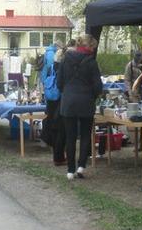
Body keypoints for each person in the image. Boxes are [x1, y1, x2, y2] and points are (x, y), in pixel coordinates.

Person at [57, 34, 102, 180]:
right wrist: (92, 96)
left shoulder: (65, 59)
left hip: (69, 101)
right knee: (84, 136)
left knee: (70, 137)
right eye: (93, 47)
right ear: (88, 46)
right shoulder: (91, 62)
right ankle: (81, 166)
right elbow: (98, 86)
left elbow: (59, 82)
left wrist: (67, 92)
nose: (94, 50)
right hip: (86, 102)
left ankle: (70, 170)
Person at [40, 42, 66, 165]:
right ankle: (59, 157)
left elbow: (44, 76)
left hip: (50, 97)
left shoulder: (52, 66)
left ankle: (56, 154)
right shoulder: (62, 68)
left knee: (53, 125)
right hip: (59, 99)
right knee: (60, 128)